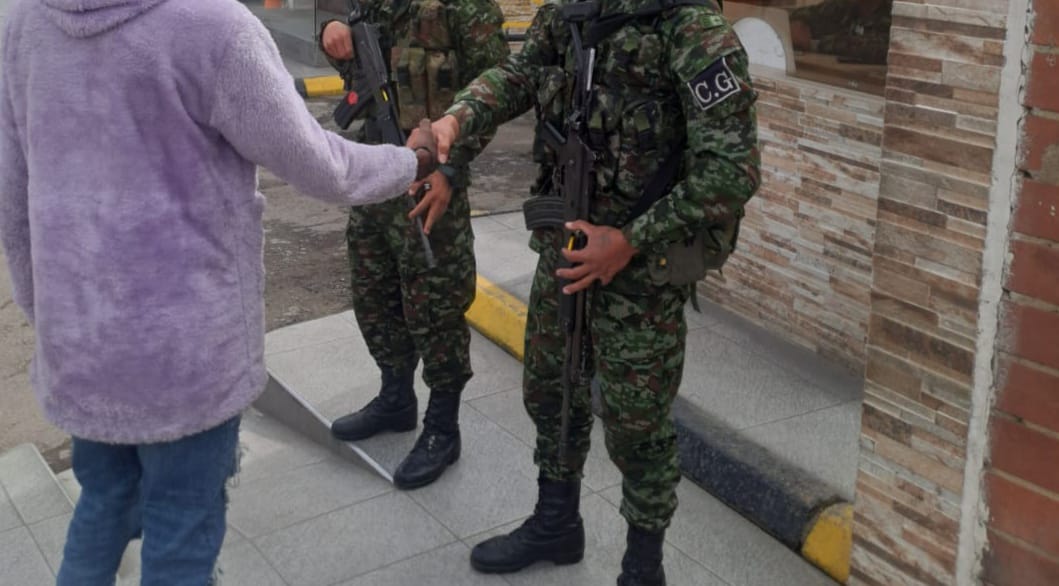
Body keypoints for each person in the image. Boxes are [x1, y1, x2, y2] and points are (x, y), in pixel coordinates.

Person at [0, 0, 438, 583]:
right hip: (188, 357)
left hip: (82, 349)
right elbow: (321, 168)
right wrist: (413, 160)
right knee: (182, 528)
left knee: (102, 504)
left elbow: (13, 198)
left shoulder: (21, 22)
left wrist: (51, 320)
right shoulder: (213, 26)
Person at [428, 0, 760, 583]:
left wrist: (629, 240)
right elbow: (518, 75)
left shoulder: (692, 32)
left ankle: (642, 564)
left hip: (641, 272)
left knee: (638, 426)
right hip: (567, 249)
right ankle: (556, 522)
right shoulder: (570, 13)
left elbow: (731, 173)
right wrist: (457, 117)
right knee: (550, 391)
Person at [317, 0, 508, 489]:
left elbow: (498, 87)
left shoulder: (468, 9)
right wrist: (332, 34)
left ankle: (443, 429)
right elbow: (356, 56)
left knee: (436, 308)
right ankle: (396, 398)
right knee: (374, 294)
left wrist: (450, 168)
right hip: (376, 172)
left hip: (432, 185)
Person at [788, 0, 892, 65]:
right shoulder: (844, 5)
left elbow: (877, 48)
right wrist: (799, 22)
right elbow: (807, 13)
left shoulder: (896, 14)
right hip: (840, 80)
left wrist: (815, 44)